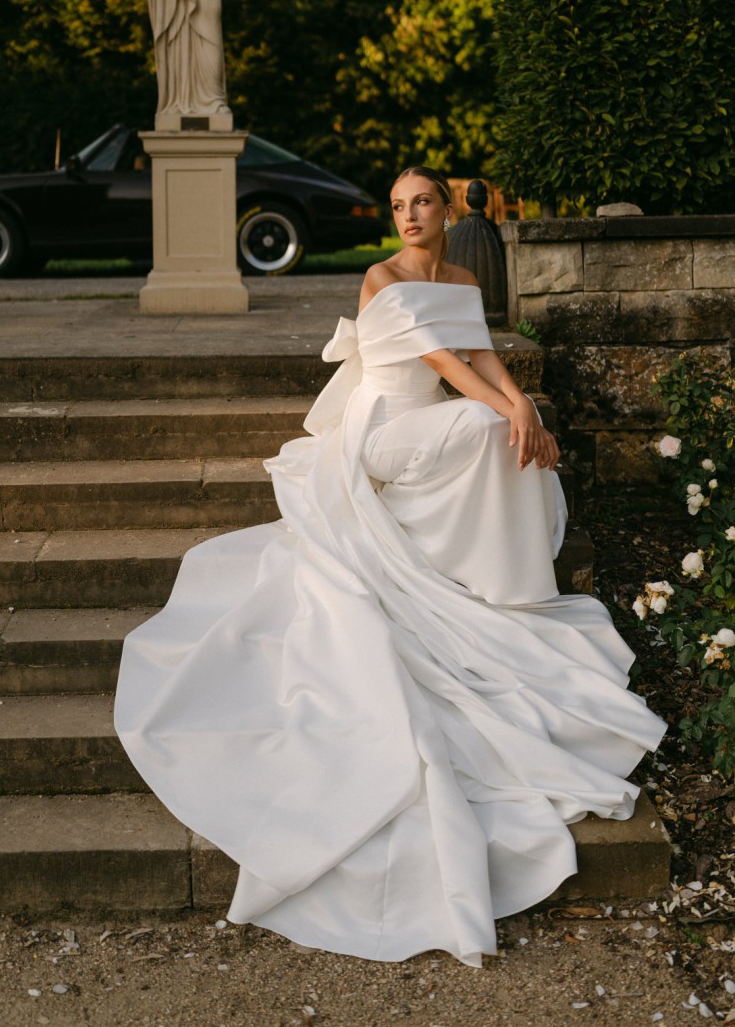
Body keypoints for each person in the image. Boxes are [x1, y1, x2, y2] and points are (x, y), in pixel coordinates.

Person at [115, 165, 666, 967]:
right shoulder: (383, 276)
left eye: (423, 204)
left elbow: (481, 350)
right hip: (384, 426)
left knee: (505, 433)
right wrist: (509, 411)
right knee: (488, 433)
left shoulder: (465, 273)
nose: (409, 216)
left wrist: (524, 402)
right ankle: (492, 579)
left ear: (446, 210)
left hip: (445, 412)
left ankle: (497, 582)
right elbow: (445, 365)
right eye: (401, 206)